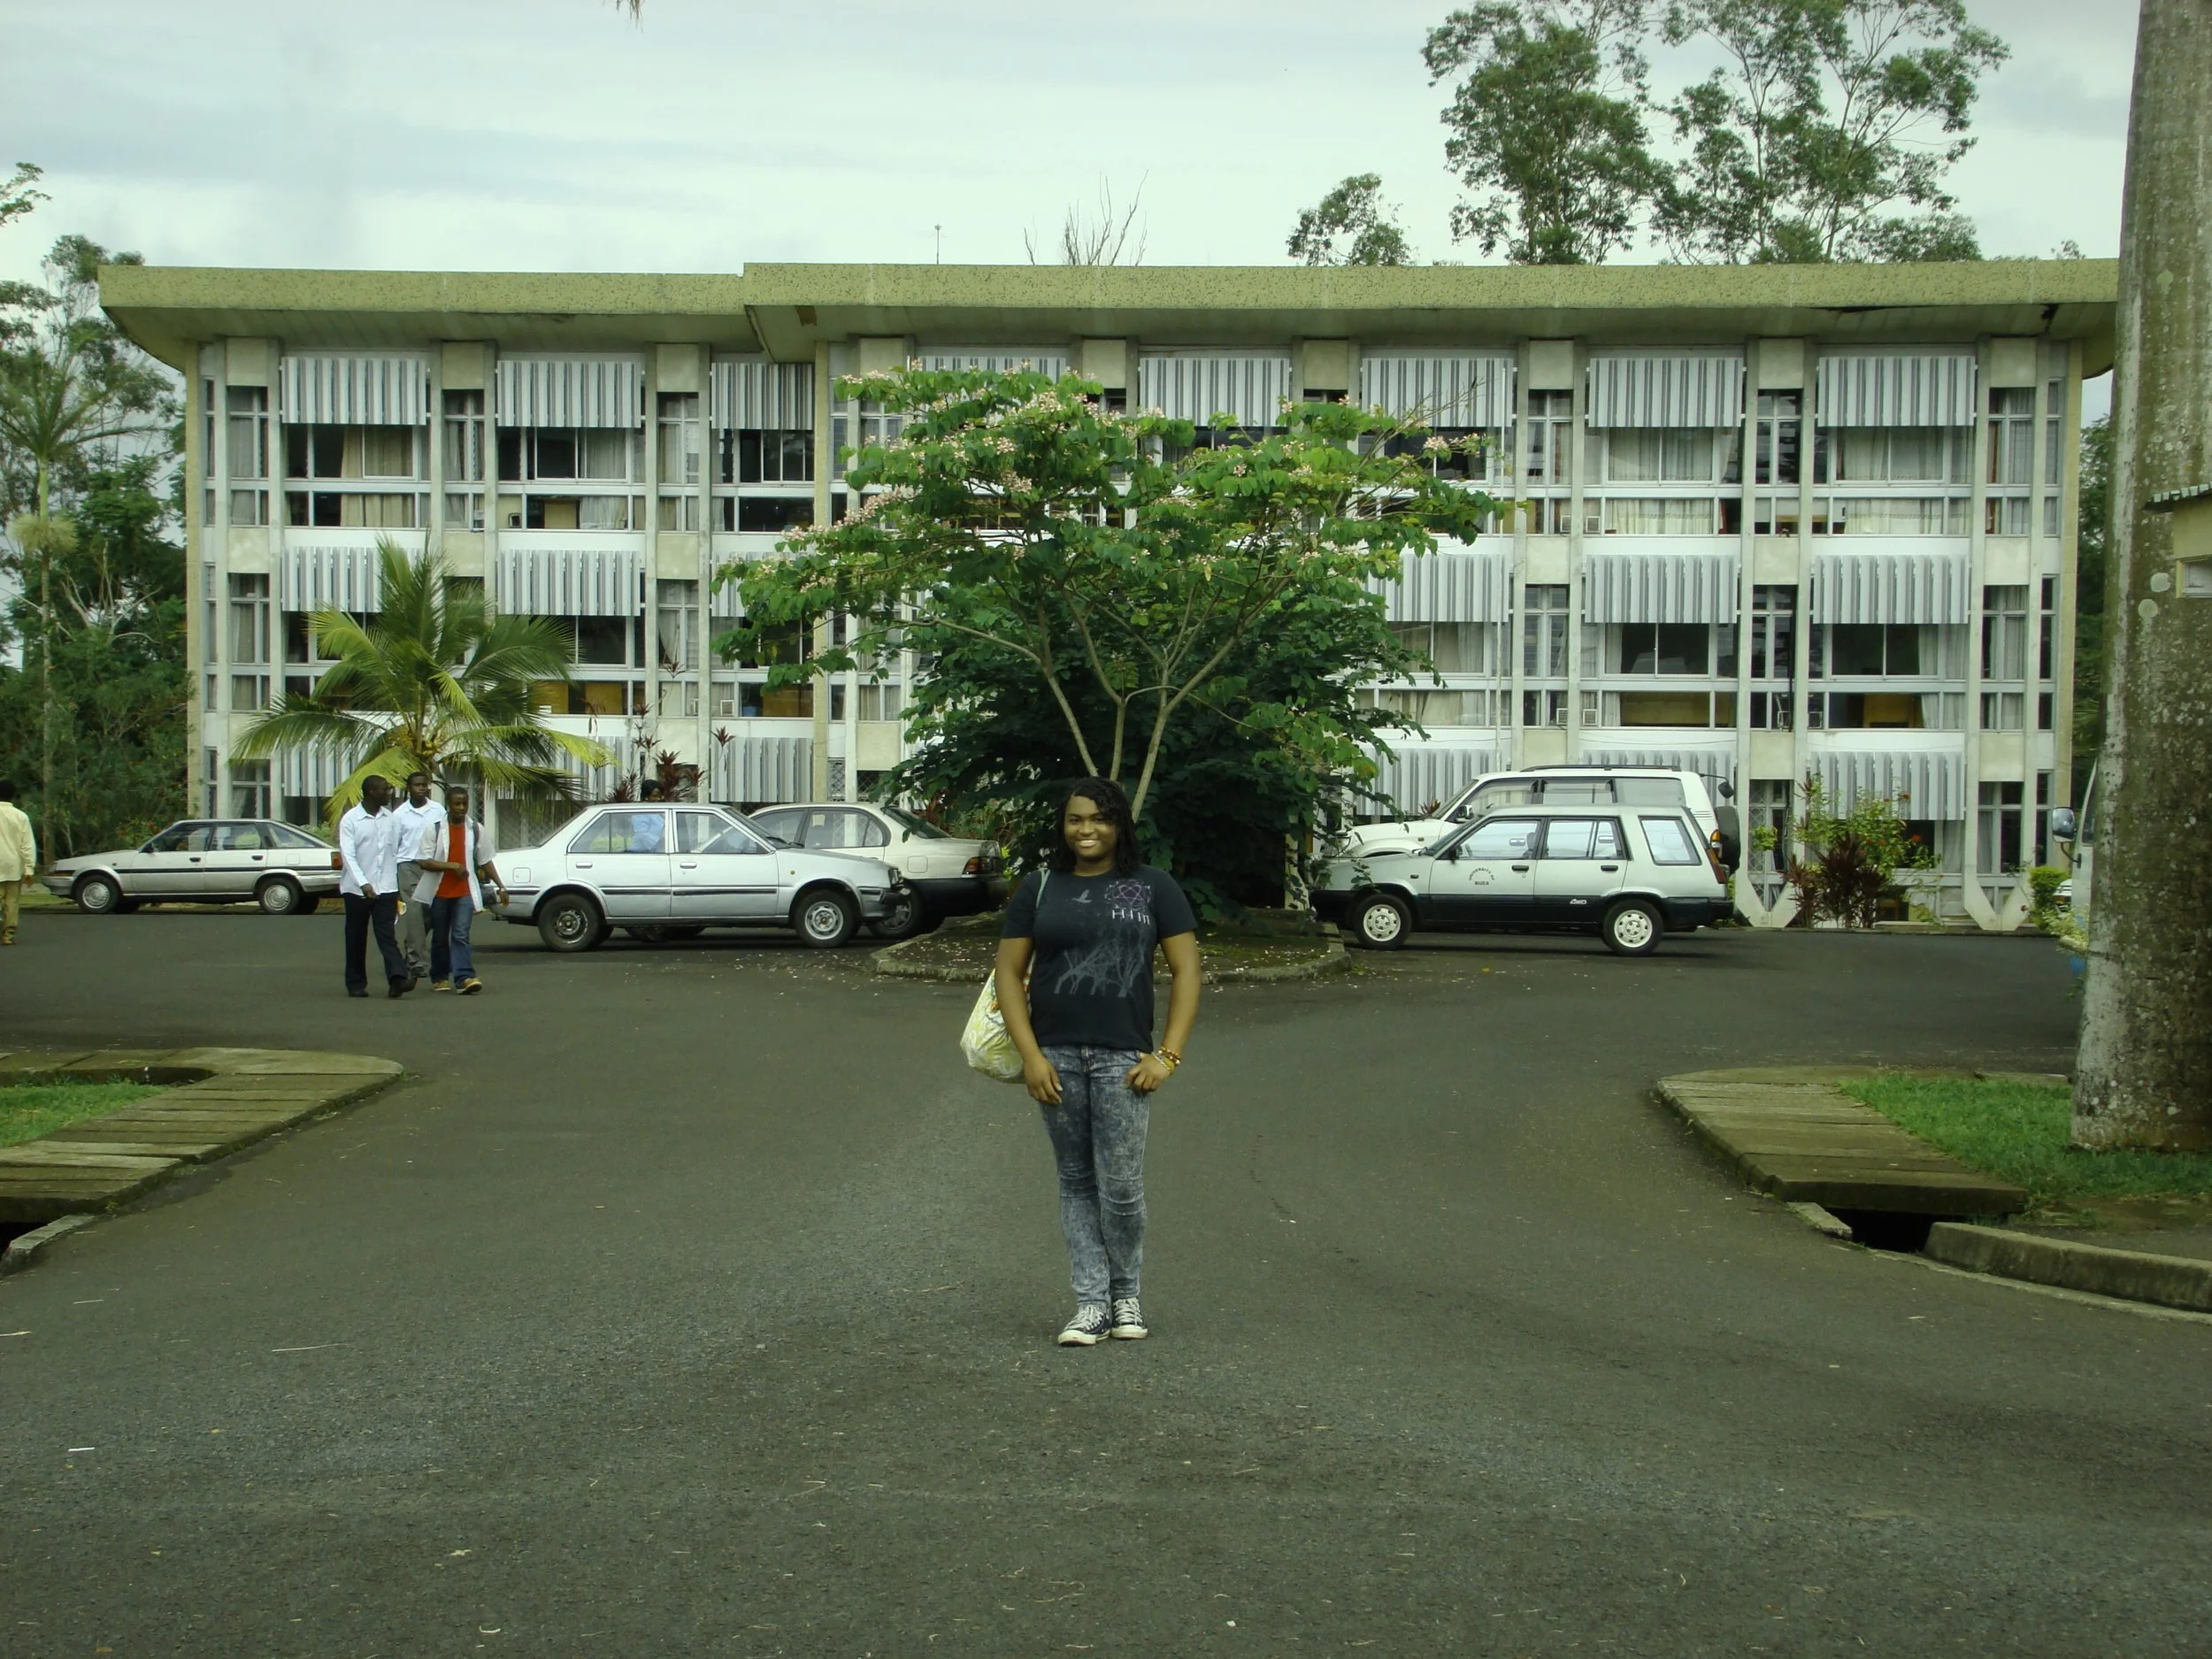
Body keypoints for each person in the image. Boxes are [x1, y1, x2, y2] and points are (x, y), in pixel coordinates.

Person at [995, 777, 1201, 1348]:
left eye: (1100, 819)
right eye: (1075, 819)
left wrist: (1168, 1055)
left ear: (1119, 826)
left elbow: (1187, 972)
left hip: (1123, 1060)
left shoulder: (1154, 887)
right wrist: (1030, 1056)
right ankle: (1090, 1304)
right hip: (1055, 1056)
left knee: (1123, 1187)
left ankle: (1125, 1294)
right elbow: (1008, 975)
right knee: (1076, 1181)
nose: (1086, 830)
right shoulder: (1040, 888)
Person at [413, 786, 507, 995]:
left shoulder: (475, 829)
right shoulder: (435, 829)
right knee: (440, 937)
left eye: (465, 803)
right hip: (439, 893)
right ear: (449, 804)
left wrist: (501, 886)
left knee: (461, 934)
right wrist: (452, 866)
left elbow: (486, 861)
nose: (462, 808)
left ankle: (464, 977)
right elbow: (423, 861)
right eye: (457, 803)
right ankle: (439, 976)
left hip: (463, 893)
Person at [338, 776, 412, 998]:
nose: (389, 793)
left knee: (387, 936)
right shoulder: (351, 820)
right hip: (356, 889)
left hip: (386, 888)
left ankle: (398, 979)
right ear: (371, 792)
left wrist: (396, 886)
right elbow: (348, 856)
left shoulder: (391, 819)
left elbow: (396, 852)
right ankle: (356, 983)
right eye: (384, 789)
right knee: (356, 937)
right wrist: (363, 883)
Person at [390, 771, 443, 985]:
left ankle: (412, 944)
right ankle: (417, 963)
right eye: (417, 785)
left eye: (424, 785)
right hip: (408, 864)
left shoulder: (438, 810)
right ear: (408, 788)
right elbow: (394, 845)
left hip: (431, 866)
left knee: (430, 914)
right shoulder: (399, 814)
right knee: (413, 911)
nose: (421, 788)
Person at [0, 780, 35, 948]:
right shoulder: (20, 816)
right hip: (13, 865)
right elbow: (27, 845)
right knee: (11, 902)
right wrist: (29, 868)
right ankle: (7, 935)